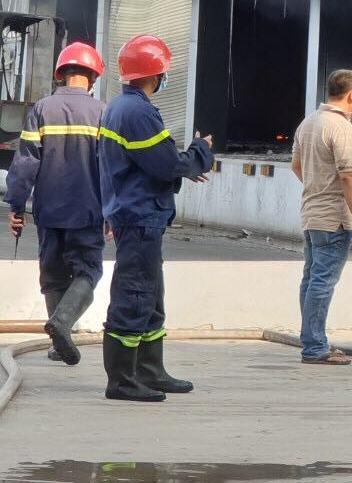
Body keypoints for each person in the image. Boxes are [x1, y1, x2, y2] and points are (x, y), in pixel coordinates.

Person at [99, 34, 215, 402]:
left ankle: (149, 370)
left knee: (151, 295)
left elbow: (154, 163)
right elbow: (165, 163)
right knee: (135, 294)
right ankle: (121, 379)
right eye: (164, 71)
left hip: (138, 214)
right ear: (155, 74)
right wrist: (200, 152)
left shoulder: (122, 107)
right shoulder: (138, 112)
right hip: (139, 216)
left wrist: (180, 168)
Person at [4, 42, 108, 365]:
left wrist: (17, 207)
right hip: (88, 212)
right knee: (87, 270)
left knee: (52, 275)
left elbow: (24, 165)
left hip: (49, 212)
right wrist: (113, 213)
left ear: (61, 75)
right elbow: (111, 168)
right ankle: (62, 324)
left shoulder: (41, 110)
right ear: (93, 76)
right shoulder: (104, 112)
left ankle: (56, 340)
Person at [291, 68, 352, 365]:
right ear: (351, 95)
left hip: (311, 214)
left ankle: (312, 340)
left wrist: (317, 188)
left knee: (310, 279)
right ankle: (315, 347)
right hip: (334, 218)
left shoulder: (308, 123)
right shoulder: (342, 128)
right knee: (322, 282)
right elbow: (348, 177)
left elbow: (296, 166)